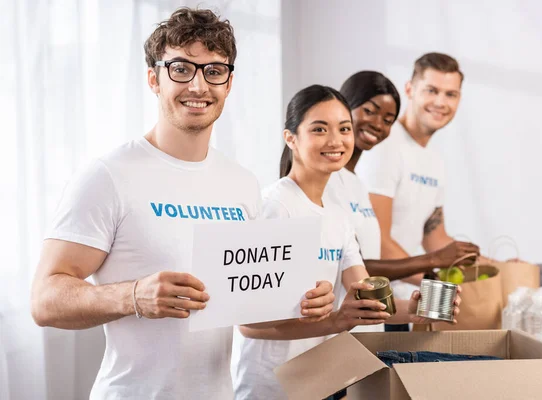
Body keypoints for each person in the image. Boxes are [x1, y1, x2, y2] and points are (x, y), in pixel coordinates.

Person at [29, 8, 335, 399]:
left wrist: (304, 300)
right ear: (154, 79)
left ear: (229, 83)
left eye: (213, 71)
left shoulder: (242, 184)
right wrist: (133, 295)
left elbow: (248, 318)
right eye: (181, 69)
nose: (198, 85)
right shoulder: (108, 175)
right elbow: (44, 300)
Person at [232, 85, 461, 400]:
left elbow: (367, 296)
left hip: (320, 384)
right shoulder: (276, 206)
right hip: (270, 389)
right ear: (291, 138)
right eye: (319, 129)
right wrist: (335, 321)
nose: (335, 140)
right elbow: (248, 323)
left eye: (343, 129)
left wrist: (419, 308)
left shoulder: (338, 216)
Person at [326, 71, 479, 333]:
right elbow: (354, 270)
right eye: (370, 111)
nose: (378, 125)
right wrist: (430, 265)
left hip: (376, 320)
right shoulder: (325, 183)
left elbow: (361, 274)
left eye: (387, 120)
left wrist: (420, 305)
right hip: (343, 335)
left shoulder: (356, 184)